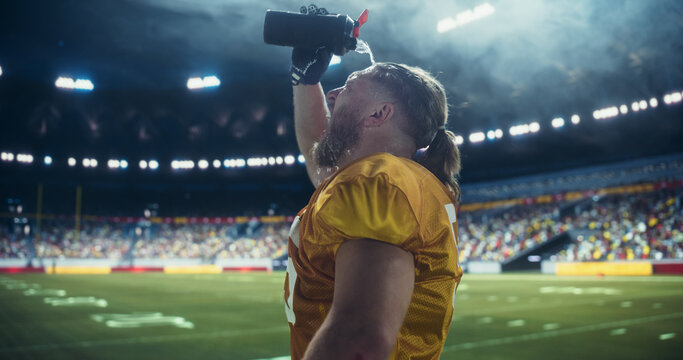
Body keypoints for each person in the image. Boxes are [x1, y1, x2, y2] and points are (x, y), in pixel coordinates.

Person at [284, 43, 463, 360]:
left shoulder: (377, 184)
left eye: (349, 87)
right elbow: (319, 158)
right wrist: (305, 78)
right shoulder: (378, 178)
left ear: (379, 113)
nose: (333, 95)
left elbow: (360, 343)